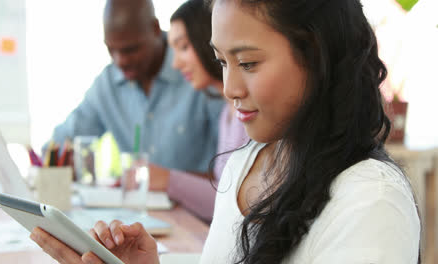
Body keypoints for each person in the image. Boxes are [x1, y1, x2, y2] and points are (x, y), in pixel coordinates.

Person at [31, 0, 421, 263]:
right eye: (221, 62)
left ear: (316, 56)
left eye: (248, 63)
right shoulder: (246, 163)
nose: (230, 88)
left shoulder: (371, 201)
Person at [48, 0, 223, 179]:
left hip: (197, 205)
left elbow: (230, 169)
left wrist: (166, 181)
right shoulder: (107, 84)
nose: (120, 61)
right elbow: (61, 142)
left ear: (155, 28)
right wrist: (55, 163)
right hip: (133, 203)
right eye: (111, 50)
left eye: (130, 50)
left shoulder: (197, 70)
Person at [164, 0, 248, 222]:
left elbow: (231, 203)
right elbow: (224, 193)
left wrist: (167, 180)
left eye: (183, 47)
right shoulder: (226, 115)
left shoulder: (249, 115)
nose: (175, 63)